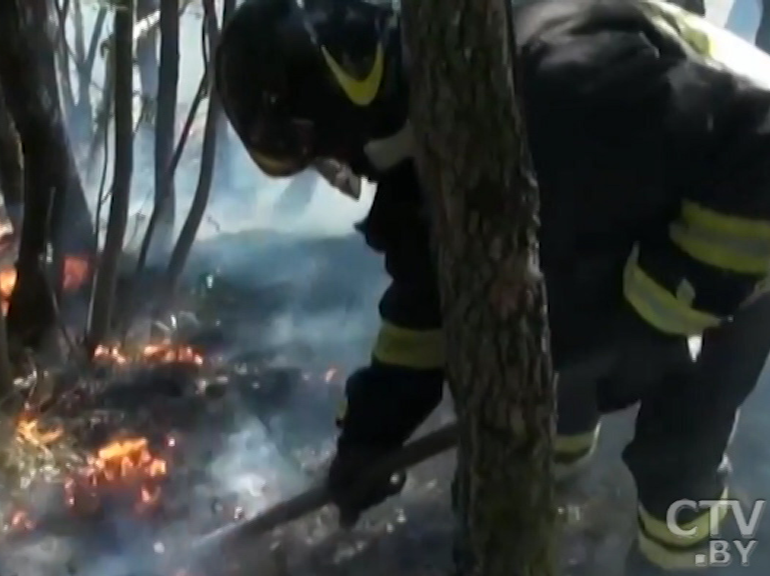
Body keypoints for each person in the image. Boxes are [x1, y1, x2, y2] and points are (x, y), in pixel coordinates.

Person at [214, 0, 770, 573]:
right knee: (556, 370)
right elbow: (430, 297)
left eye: (322, 149)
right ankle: (549, 513)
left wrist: (660, 308)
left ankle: (676, 562)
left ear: (348, 94)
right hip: (643, 202)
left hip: (742, 229)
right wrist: (373, 433)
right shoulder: (441, 133)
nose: (336, 171)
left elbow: (759, 156)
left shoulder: (558, 86)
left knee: (678, 453)